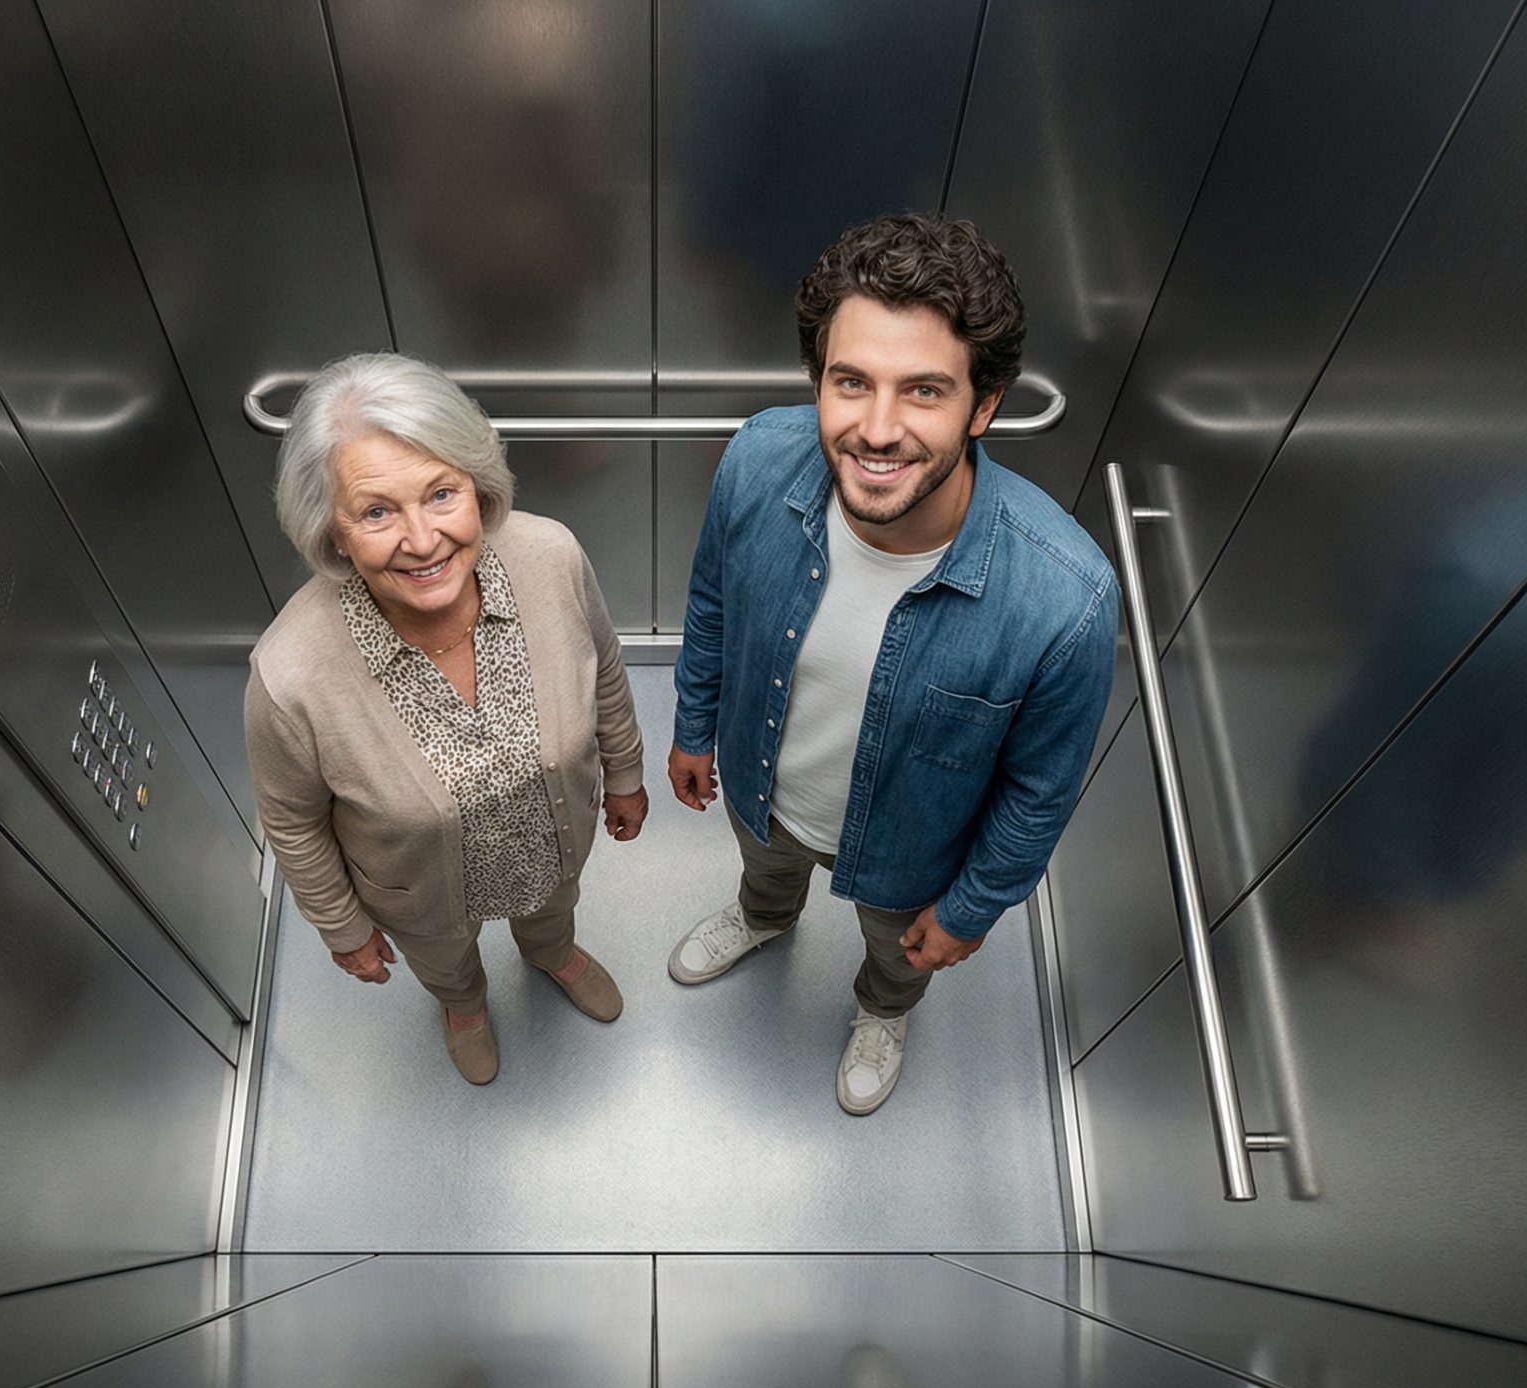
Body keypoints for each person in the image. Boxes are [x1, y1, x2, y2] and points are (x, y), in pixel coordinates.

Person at [666, 213, 1117, 1114]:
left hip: (911, 856)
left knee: (895, 953)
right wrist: (692, 727)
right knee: (767, 872)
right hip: (763, 788)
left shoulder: (1065, 599)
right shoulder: (756, 459)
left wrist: (969, 911)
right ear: (818, 382)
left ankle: (882, 1009)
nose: (877, 429)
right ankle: (763, 916)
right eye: (851, 382)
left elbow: (1038, 793)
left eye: (923, 391)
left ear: (982, 407)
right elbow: (712, 604)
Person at [246, 354, 649, 1085]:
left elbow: (605, 668)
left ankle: (551, 951)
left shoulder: (550, 556)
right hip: (421, 898)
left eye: (440, 493)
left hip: (552, 846)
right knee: (445, 961)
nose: (424, 539)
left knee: (554, 908)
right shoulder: (289, 674)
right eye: (376, 511)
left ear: (477, 484)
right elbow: (293, 822)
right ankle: (463, 1007)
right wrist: (343, 926)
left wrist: (624, 774)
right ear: (331, 530)